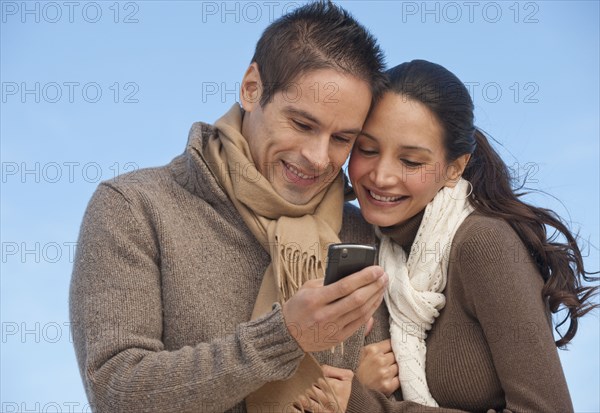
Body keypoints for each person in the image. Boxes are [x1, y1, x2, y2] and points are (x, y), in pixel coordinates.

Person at [69, 2, 398, 412]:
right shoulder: (134, 208)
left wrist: (361, 402)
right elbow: (117, 393)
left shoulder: (363, 233)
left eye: (341, 139)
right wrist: (286, 335)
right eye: (302, 124)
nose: (318, 157)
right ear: (251, 88)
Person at [302, 60, 598, 412]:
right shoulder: (373, 241)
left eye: (410, 162)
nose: (381, 176)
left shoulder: (483, 245)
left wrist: (365, 404)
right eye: (367, 150)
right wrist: (358, 381)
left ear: (454, 168)